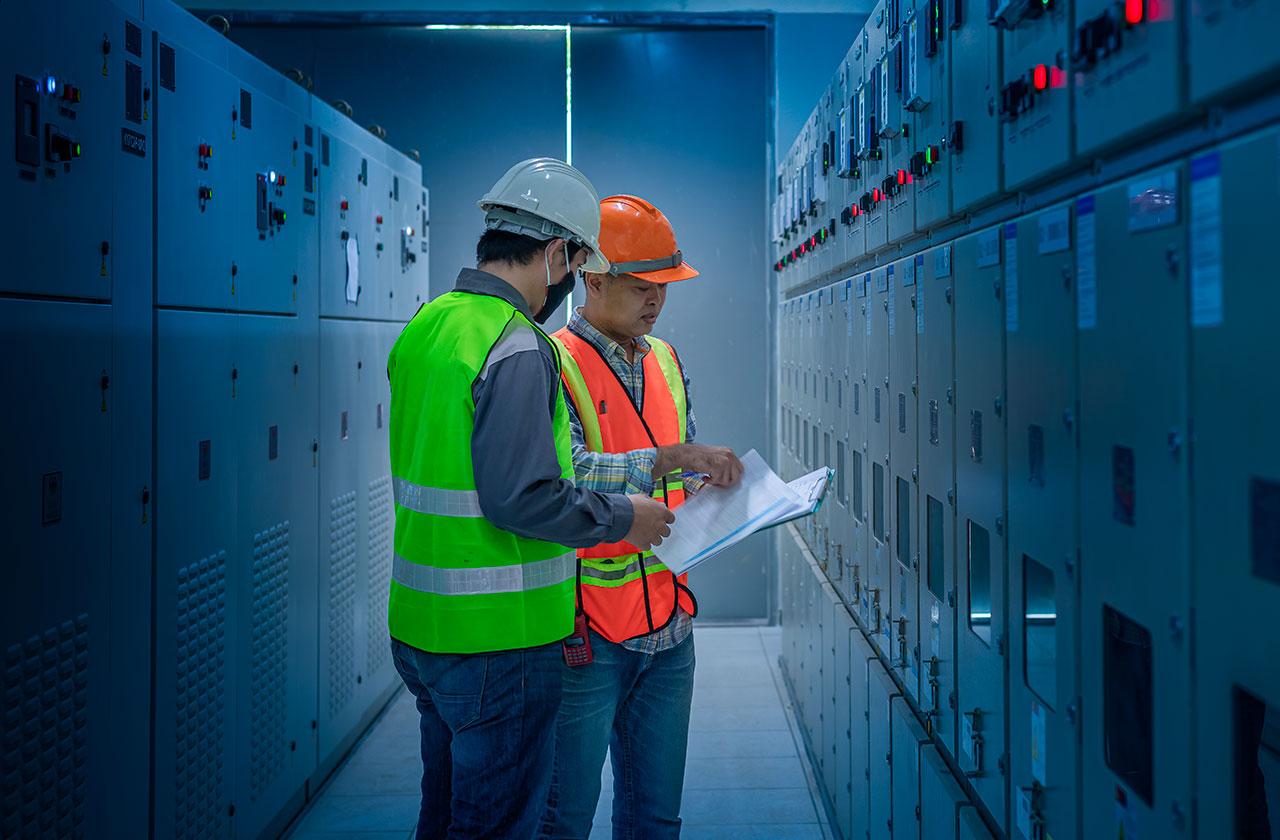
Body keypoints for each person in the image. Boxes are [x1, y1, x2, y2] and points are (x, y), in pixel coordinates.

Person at [386, 160, 678, 840]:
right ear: (555, 254)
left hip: (424, 629)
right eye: (573, 265)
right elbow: (522, 498)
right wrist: (623, 519)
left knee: (446, 814)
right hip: (498, 639)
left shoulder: (431, 324)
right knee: (496, 825)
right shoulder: (515, 342)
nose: (568, 283)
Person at [537, 194, 744, 840]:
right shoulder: (552, 361)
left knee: (655, 820)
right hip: (586, 640)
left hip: (669, 629)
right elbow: (564, 477)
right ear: (592, 280)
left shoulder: (666, 361)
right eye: (641, 286)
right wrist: (670, 459)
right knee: (563, 819)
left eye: (665, 287)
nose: (656, 301)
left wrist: (717, 486)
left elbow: (676, 468)